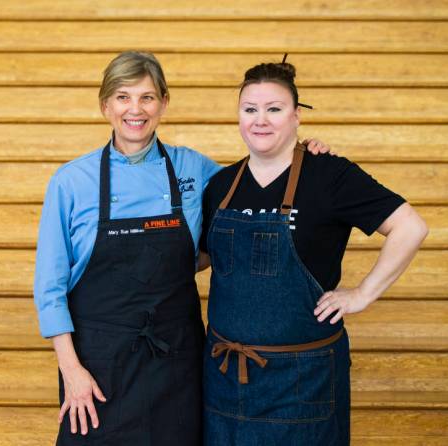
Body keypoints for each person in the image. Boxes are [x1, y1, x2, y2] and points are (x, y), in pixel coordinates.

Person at [33, 51, 329, 445]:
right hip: (98, 366)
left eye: (147, 97)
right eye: (123, 97)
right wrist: (72, 372)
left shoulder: (194, 170)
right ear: (105, 105)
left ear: (164, 103)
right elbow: (50, 290)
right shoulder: (71, 182)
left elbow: (260, 180)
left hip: (178, 363)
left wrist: (301, 155)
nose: (135, 109)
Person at [199, 59, 428, 445]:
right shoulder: (221, 185)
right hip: (225, 379)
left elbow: (411, 227)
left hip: (303, 382)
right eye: (250, 109)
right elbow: (206, 258)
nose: (261, 120)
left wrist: (362, 293)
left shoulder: (329, 175)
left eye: (274, 109)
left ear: (296, 116)